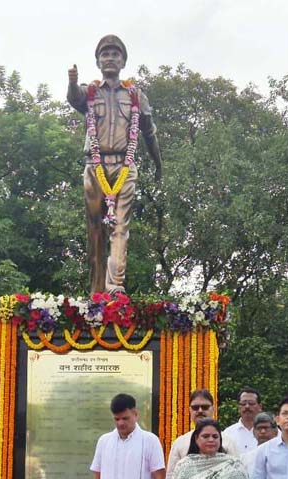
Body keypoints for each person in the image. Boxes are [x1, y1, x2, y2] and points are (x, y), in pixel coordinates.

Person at [67, 35, 162, 294]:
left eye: (115, 54)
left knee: (120, 225)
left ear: (123, 61)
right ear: (98, 61)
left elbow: (149, 132)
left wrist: (158, 163)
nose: (110, 58)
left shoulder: (135, 95)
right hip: (94, 167)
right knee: (95, 228)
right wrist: (72, 82)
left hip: (125, 165)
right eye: (105, 54)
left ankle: (115, 288)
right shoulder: (90, 91)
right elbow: (74, 98)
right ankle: (97, 292)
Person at [163, 389, 237, 479]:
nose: (200, 410)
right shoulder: (181, 442)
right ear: (190, 410)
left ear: (213, 409)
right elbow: (171, 478)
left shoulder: (227, 441)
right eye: (195, 407)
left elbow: (236, 475)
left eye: (205, 407)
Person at [223, 387, 263, 455]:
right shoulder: (227, 433)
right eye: (243, 404)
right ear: (239, 407)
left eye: (251, 403)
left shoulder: (271, 431)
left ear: (260, 407)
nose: (247, 406)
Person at [242, 412, 277, 479]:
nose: (263, 431)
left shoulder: (282, 455)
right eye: (259, 428)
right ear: (254, 432)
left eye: (266, 428)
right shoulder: (245, 458)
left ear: (275, 431)